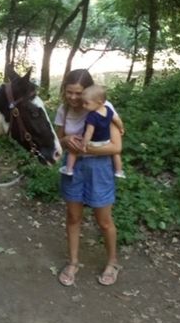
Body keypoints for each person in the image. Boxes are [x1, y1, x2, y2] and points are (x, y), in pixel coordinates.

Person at [54, 69, 122, 287]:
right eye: (69, 93)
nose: (73, 98)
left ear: (88, 93)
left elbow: (116, 146)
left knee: (103, 221)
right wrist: (66, 142)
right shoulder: (63, 110)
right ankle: (73, 262)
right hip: (73, 168)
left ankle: (112, 262)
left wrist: (85, 147)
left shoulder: (104, 109)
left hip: (99, 169)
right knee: (73, 217)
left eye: (78, 94)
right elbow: (58, 141)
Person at [59, 84, 126, 178]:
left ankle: (69, 169)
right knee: (116, 154)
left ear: (99, 102)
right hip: (106, 142)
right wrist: (121, 128)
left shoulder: (92, 116)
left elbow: (89, 132)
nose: (83, 105)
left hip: (94, 143)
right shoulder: (108, 110)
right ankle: (119, 171)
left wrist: (84, 144)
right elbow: (117, 120)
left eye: (86, 103)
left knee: (72, 151)